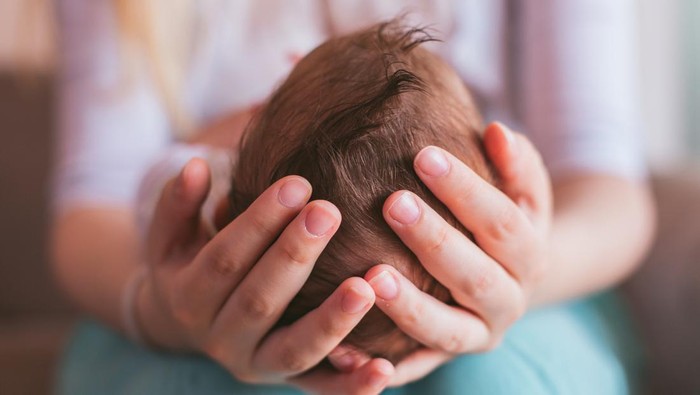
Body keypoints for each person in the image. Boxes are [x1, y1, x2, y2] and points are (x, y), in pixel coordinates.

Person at [51, 1, 655, 394]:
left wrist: (520, 271)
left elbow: (607, 185)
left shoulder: (219, 169)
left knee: (502, 381)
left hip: (534, 298)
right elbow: (95, 198)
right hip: (172, 300)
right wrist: (161, 308)